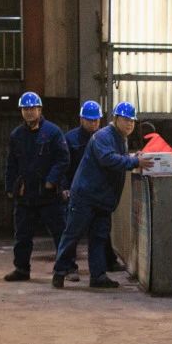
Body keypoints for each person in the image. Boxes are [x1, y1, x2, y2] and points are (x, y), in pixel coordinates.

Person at [52, 102, 153, 288]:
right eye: (126, 120)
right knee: (72, 235)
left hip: (102, 199)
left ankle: (98, 276)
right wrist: (134, 162)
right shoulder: (104, 136)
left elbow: (117, 157)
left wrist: (133, 157)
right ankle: (59, 272)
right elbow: (108, 159)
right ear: (116, 119)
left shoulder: (120, 138)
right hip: (86, 197)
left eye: (132, 121)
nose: (130, 124)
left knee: (99, 237)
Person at [3, 91, 70, 282]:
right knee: (22, 235)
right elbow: (11, 163)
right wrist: (10, 187)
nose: (29, 112)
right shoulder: (17, 135)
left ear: (40, 110)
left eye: (32, 108)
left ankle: (65, 268)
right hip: (26, 195)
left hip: (49, 194)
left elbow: (63, 159)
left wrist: (52, 180)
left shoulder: (53, 132)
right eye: (25, 109)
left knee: (60, 232)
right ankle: (21, 269)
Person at [60, 100, 107, 282]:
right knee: (72, 233)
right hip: (77, 192)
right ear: (81, 119)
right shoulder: (70, 139)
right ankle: (68, 268)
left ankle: (101, 269)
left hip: (97, 193)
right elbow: (64, 165)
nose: (93, 123)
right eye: (90, 120)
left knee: (99, 233)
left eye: (96, 120)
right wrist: (64, 187)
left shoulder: (103, 139)